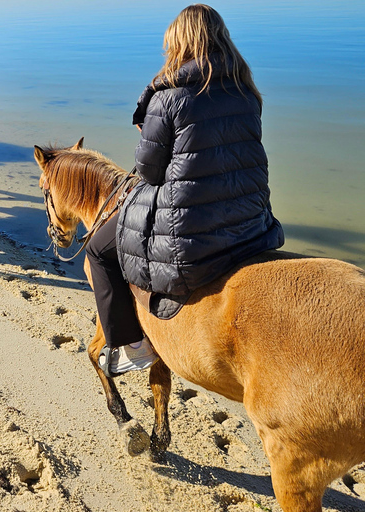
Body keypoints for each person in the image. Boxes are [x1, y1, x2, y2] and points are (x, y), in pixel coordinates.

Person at [87, 4, 284, 375]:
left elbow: (148, 169)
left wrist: (146, 128)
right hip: (249, 214)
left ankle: (133, 344)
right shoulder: (246, 90)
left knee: (99, 249)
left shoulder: (169, 95)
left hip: (192, 221)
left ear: (179, 44)